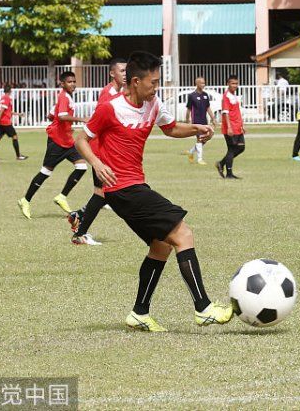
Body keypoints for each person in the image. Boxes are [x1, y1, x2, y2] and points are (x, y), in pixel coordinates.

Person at [74, 51, 232, 331]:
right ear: (136, 81)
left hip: (134, 186)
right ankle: (203, 308)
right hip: (122, 188)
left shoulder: (153, 103)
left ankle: (139, 313)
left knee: (160, 246)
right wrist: (96, 164)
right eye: (153, 82)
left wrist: (197, 128)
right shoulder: (110, 108)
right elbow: (81, 139)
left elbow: (170, 129)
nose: (156, 88)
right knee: (183, 233)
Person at [67, 58, 127, 246]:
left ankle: (79, 216)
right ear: (112, 73)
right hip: (101, 150)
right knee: (103, 192)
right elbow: (102, 123)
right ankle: (80, 233)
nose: (125, 74)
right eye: (122, 71)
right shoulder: (107, 94)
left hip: (106, 149)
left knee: (105, 192)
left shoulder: (118, 92)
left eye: (127, 71)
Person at [18, 71, 89, 219]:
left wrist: (62, 122)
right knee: (46, 172)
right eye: (69, 82)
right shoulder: (63, 96)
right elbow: (62, 116)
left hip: (67, 141)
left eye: (74, 81)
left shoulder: (66, 97)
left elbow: (52, 115)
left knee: (82, 166)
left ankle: (61, 197)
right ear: (62, 84)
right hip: (57, 141)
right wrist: (81, 119)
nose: (73, 84)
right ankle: (25, 200)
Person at [215, 75, 245, 180]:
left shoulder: (234, 96)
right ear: (228, 84)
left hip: (237, 127)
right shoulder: (226, 96)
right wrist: (229, 127)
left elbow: (237, 112)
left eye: (236, 83)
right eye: (233, 83)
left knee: (241, 147)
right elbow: (225, 113)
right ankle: (229, 173)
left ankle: (221, 163)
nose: (235, 85)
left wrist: (242, 125)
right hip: (230, 127)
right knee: (232, 149)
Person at [0, 84, 28, 161]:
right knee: (14, 136)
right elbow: (2, 109)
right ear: (10, 91)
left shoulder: (2, 98)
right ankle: (18, 156)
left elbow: (6, 110)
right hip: (5, 122)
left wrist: (18, 114)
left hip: (1, 122)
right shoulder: (7, 98)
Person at [186, 77, 216, 165]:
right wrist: (187, 120)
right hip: (196, 120)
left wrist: (213, 118)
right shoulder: (192, 96)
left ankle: (191, 152)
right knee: (199, 138)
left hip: (204, 120)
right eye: (201, 83)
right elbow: (188, 109)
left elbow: (208, 108)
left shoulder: (206, 95)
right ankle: (200, 159)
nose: (203, 85)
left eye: (204, 83)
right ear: (197, 84)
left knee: (205, 138)